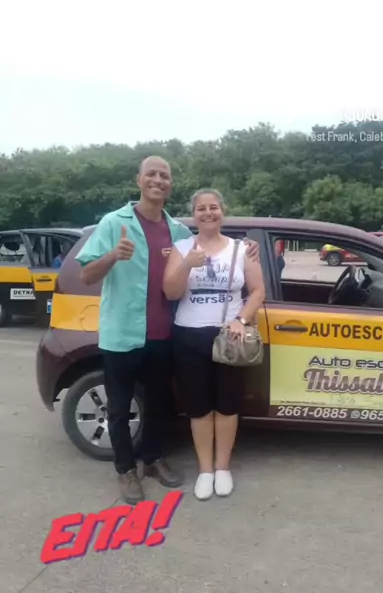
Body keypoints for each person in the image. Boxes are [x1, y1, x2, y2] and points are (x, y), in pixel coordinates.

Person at [75, 157, 260, 505]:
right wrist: (113, 255)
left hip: (163, 334)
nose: (158, 180)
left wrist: (249, 245)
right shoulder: (114, 223)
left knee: (159, 404)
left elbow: (213, 246)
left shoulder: (178, 232)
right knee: (119, 408)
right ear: (139, 179)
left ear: (170, 183)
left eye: (164, 175)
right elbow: (85, 275)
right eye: (151, 174)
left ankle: (153, 458)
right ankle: (125, 469)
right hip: (122, 332)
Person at [163, 189, 265, 501]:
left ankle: (222, 468)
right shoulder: (182, 248)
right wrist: (187, 265)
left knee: (227, 406)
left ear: (223, 211)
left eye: (214, 207)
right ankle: (205, 470)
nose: (208, 213)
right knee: (199, 408)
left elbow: (258, 291)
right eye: (201, 208)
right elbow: (170, 292)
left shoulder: (241, 249)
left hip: (229, 338)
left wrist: (241, 320)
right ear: (194, 215)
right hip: (189, 337)